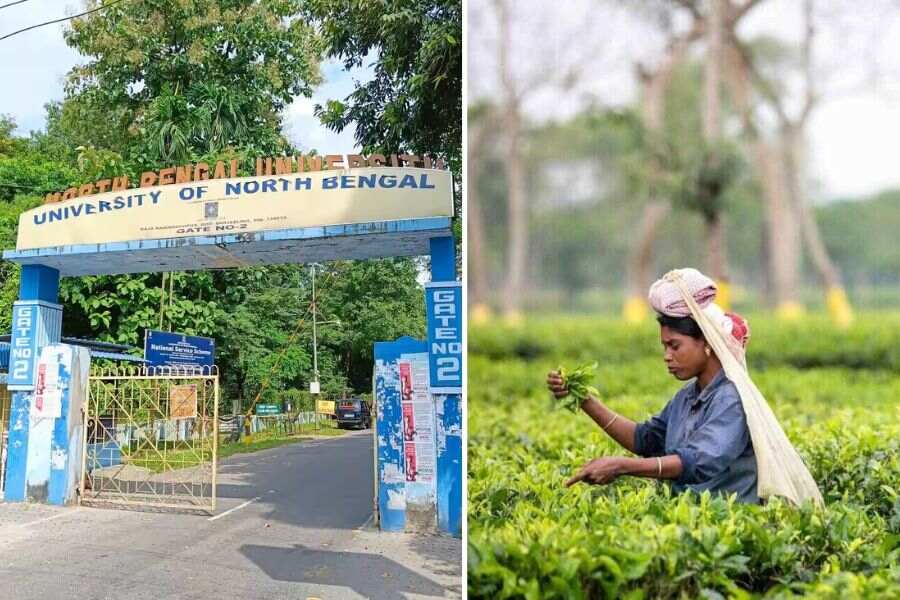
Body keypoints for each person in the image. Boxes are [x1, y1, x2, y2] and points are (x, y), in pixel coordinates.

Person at [547, 270, 760, 504]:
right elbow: (645, 440)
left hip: (728, 523)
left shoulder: (731, 399)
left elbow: (697, 461)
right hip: (688, 519)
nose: (667, 356)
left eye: (674, 346)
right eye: (665, 347)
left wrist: (621, 466)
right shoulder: (687, 397)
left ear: (707, 344)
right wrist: (584, 399)